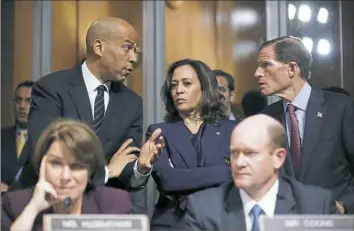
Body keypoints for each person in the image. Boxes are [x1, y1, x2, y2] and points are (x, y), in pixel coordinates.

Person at [13, 18, 164, 197]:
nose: (133, 58)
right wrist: (106, 172)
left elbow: (126, 168)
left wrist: (140, 166)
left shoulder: (131, 103)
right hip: (46, 201)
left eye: (135, 50)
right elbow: (45, 155)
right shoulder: (50, 88)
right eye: (127, 48)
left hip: (100, 207)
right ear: (99, 48)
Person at [183, 115, 337, 231]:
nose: (239, 163)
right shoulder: (204, 208)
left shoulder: (315, 206)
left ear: (278, 157)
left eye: (250, 153)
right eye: (234, 153)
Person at [256, 36, 354, 214]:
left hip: (333, 220)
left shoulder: (341, 108)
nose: (257, 73)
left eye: (266, 65)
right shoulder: (266, 118)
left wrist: (343, 205)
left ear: (292, 69)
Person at [146, 59, 236, 230]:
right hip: (173, 222)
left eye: (187, 84)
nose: (179, 90)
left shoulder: (232, 130)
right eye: (174, 85)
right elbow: (168, 181)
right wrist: (224, 170)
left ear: (205, 88)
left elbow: (238, 177)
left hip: (221, 220)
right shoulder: (158, 131)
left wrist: (184, 175)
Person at [1, 119, 138, 231]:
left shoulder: (113, 203)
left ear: (89, 171)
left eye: (76, 166)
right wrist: (33, 208)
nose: (65, 177)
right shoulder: (16, 204)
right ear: (42, 164)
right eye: (56, 164)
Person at [1, 81, 34, 192]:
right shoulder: (2, 137)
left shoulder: (45, 141)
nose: (22, 106)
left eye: (28, 101)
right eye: (18, 100)